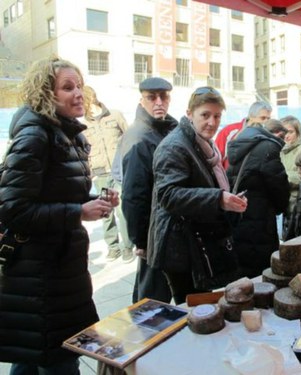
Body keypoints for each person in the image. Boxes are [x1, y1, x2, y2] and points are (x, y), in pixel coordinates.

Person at [0, 57, 119, 375]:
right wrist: (77, 212)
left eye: (79, 85)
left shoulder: (68, 134)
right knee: (58, 358)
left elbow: (61, 194)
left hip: (58, 272)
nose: (79, 92)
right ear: (46, 95)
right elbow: (13, 209)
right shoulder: (35, 137)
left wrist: (96, 203)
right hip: (40, 278)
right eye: (68, 87)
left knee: (32, 357)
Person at [149, 86, 247, 304]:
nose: (212, 122)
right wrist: (218, 198)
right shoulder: (174, 147)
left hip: (197, 241)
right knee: (193, 309)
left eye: (217, 116)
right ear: (189, 114)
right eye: (205, 115)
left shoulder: (204, 145)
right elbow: (168, 195)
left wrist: (228, 201)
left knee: (204, 305)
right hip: (179, 248)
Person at [120, 77, 177, 303]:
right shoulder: (138, 137)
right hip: (153, 233)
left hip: (168, 229)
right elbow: (133, 195)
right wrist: (141, 240)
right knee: (151, 304)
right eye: (152, 97)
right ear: (141, 100)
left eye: (164, 96)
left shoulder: (166, 129)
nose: (159, 102)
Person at [226, 119, 290, 278]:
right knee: (262, 272)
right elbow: (279, 187)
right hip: (261, 219)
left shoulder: (237, 144)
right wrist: (280, 207)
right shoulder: (268, 148)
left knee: (244, 271)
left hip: (239, 214)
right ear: (278, 134)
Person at [82, 86, 134, 262]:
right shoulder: (83, 124)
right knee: (105, 212)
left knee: (122, 210)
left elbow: (130, 138)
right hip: (101, 174)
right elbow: (84, 151)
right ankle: (113, 247)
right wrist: (89, 172)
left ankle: (127, 247)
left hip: (118, 173)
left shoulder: (115, 116)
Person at [214, 101, 272, 169]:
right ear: (251, 117)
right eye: (263, 118)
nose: (266, 122)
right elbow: (217, 158)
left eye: (268, 119)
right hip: (229, 177)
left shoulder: (268, 134)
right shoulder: (229, 131)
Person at [280, 115, 301, 239]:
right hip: (282, 206)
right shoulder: (279, 150)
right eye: (283, 132)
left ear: (298, 133)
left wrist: (281, 176)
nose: (286, 135)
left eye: (290, 132)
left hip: (297, 207)